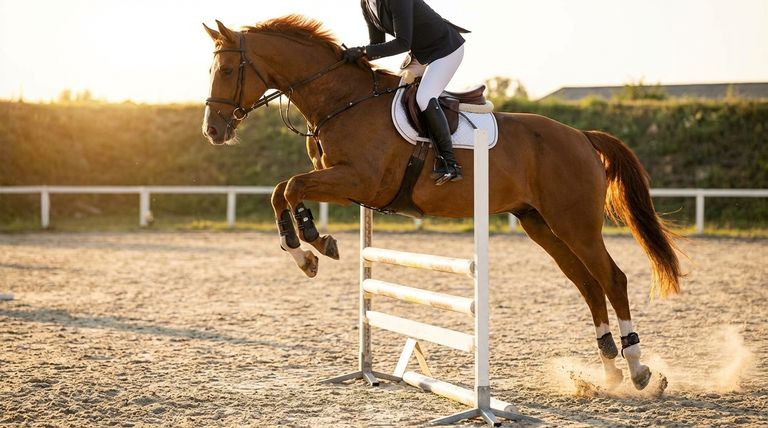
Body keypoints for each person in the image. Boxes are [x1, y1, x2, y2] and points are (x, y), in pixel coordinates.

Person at [344, 0, 469, 185]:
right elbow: (377, 44)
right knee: (395, 94)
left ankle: (450, 163)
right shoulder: (366, 4)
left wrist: (362, 51)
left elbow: (402, 43)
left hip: (445, 49)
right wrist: (356, 57)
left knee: (424, 97)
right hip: (420, 54)